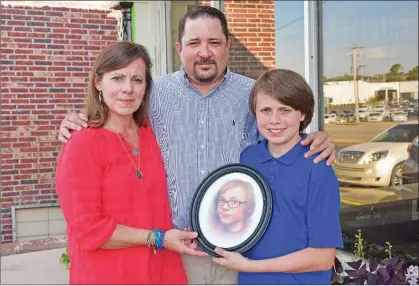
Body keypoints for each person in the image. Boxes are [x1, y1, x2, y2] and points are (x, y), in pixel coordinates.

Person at [57, 6, 337, 285]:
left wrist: (314, 137)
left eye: (214, 42)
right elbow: (115, 112)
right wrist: (77, 120)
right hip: (174, 251)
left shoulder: (251, 93)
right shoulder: (154, 95)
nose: (204, 52)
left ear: (227, 46)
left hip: (238, 252)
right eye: (194, 43)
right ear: (179, 48)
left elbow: (279, 127)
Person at [55, 41, 207, 285]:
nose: (128, 89)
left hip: (162, 271)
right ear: (98, 83)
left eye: (137, 80)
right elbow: (88, 229)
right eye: (117, 78)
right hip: (109, 275)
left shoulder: (152, 132)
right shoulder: (82, 143)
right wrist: (158, 238)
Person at [212, 69, 343, 285]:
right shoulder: (247, 159)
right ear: (255, 113)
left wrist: (250, 266)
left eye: (285, 110)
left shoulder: (318, 166)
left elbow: (322, 257)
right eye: (265, 110)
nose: (274, 120)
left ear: (302, 114)